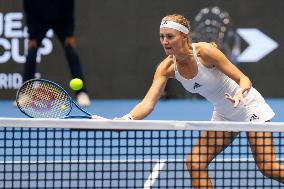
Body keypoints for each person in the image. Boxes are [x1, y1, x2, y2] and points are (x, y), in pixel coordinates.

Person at [117, 14, 284, 188]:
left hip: (248, 107)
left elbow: (244, 79)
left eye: (170, 36)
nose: (165, 41)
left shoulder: (204, 52)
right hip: (224, 114)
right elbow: (148, 103)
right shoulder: (166, 67)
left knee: (268, 167)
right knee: (195, 163)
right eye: (162, 37)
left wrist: (240, 93)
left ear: (184, 36)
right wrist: (127, 119)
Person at [20, 0, 90, 107]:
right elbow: (29, 11)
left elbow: (69, 9)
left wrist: (69, 33)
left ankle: (81, 92)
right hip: (38, 22)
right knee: (31, 53)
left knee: (71, 51)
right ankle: (25, 93)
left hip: (61, 21)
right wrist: (32, 36)